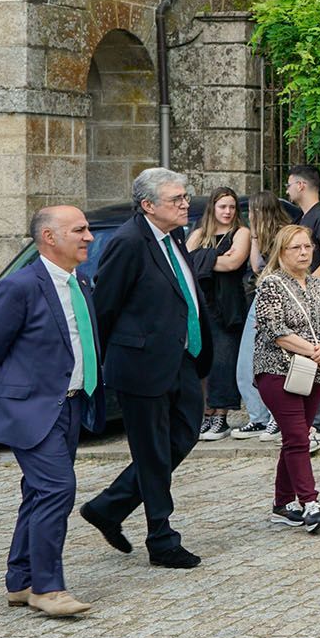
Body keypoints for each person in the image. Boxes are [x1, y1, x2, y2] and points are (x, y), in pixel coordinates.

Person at [0, 206, 105, 618]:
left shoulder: (80, 280)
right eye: (79, 230)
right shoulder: (20, 286)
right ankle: (48, 588)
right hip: (31, 408)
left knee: (38, 491)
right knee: (56, 489)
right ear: (49, 237)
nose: (89, 237)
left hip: (72, 403)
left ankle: (21, 580)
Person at [82, 167, 209, 570]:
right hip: (141, 365)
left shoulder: (173, 237)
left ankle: (108, 506)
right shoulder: (128, 242)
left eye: (186, 196)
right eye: (177, 199)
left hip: (181, 359)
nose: (186, 203)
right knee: (152, 451)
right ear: (148, 205)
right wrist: (95, 365)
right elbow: (105, 306)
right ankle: (162, 538)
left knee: (184, 435)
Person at [251, 224, 320, 533]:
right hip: (278, 370)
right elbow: (274, 330)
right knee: (300, 437)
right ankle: (311, 504)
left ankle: (281, 503)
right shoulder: (272, 284)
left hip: (313, 372)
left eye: (307, 247)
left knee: (295, 437)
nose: (303, 253)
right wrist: (314, 350)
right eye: (296, 248)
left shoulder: (319, 285)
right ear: (282, 252)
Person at [187, 187, 252, 441]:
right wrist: (214, 256)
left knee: (223, 360)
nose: (227, 211)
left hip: (228, 305)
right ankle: (205, 413)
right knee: (202, 362)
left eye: (232, 207)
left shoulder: (242, 232)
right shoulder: (200, 232)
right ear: (213, 207)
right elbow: (185, 258)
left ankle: (220, 417)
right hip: (202, 303)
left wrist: (201, 258)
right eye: (223, 206)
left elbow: (233, 263)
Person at [286, 165, 320, 452]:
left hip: (316, 300)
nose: (286, 190)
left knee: (319, 357)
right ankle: (310, 425)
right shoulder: (305, 217)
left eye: (289, 184)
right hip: (305, 298)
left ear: (300, 186)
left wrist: (303, 287)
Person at [228, 191, 286, 440]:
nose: (247, 215)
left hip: (279, 297)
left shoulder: (285, 233)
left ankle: (277, 416)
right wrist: (253, 235)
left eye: (251, 210)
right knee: (247, 361)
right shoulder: (259, 234)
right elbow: (255, 267)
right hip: (261, 295)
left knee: (276, 360)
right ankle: (259, 417)